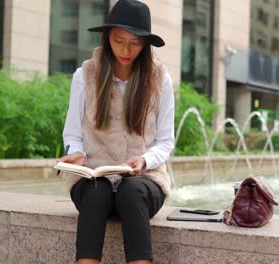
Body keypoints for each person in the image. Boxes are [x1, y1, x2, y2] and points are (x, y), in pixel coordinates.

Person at [58, 0, 174, 263]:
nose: (126, 49)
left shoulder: (159, 79)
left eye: (135, 42)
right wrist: (76, 153)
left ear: (145, 44)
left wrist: (144, 160)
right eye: (119, 39)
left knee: (130, 190)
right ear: (108, 36)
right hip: (94, 181)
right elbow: (72, 134)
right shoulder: (85, 75)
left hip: (145, 182)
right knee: (97, 192)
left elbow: (166, 142)